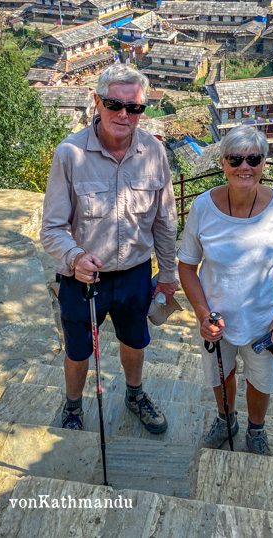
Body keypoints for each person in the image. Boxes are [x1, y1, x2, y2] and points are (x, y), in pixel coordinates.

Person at [40, 64, 178, 433]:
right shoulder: (69, 154)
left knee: (135, 341)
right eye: (115, 104)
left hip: (135, 274)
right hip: (83, 278)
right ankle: (73, 406)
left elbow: (165, 220)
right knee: (78, 349)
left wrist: (168, 275)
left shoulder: (154, 152)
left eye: (134, 108)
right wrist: (75, 257)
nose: (124, 114)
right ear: (97, 102)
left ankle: (135, 395)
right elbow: (52, 228)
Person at [177, 126, 273, 455]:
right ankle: (226, 419)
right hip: (217, 319)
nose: (244, 167)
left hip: (264, 319)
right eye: (235, 159)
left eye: (253, 158)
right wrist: (204, 315)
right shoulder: (203, 208)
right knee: (221, 375)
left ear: (265, 163)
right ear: (222, 163)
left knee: (261, 380)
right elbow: (187, 266)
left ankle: (256, 428)